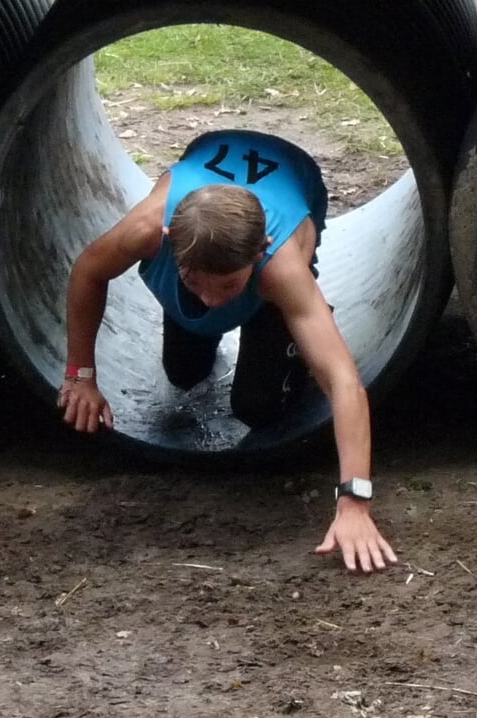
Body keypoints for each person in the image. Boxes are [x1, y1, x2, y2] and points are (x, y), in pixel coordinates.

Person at [56, 129, 396, 573]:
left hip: (292, 182)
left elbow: (344, 381)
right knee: (182, 372)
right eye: (194, 280)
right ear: (168, 240)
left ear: (261, 253)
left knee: (258, 407)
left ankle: (281, 325)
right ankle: (204, 298)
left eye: (230, 286)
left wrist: (355, 503)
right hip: (212, 159)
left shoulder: (280, 265)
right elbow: (87, 271)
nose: (214, 299)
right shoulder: (147, 229)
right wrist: (80, 374)